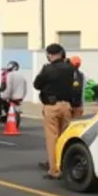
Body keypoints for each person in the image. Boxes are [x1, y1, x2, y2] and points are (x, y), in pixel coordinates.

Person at [33, 43, 76, 180]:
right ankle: (65, 166)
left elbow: (36, 84)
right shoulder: (70, 69)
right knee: (64, 138)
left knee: (52, 138)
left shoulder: (48, 69)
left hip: (51, 106)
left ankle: (54, 169)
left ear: (50, 55)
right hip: (67, 106)